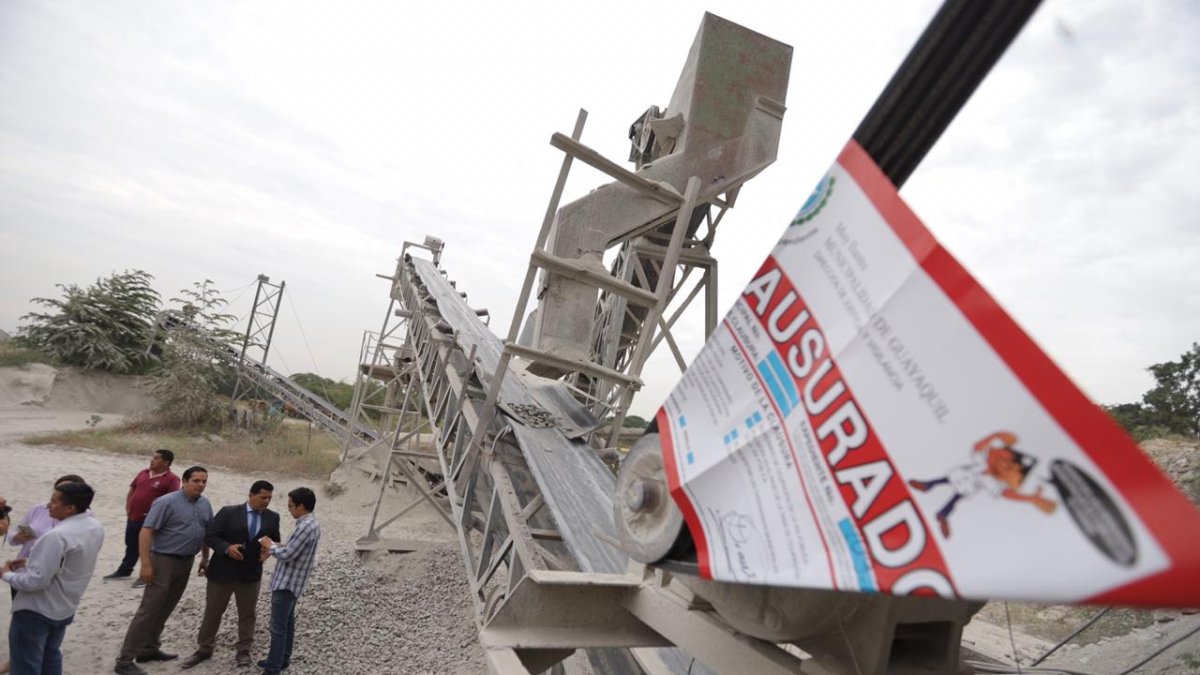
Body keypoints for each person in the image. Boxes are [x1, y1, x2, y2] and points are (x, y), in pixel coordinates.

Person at [113, 466, 213, 675]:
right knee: (148, 610)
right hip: (163, 561)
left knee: (167, 606)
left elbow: (206, 532)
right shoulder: (166, 502)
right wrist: (146, 564)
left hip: (186, 562)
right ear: (184, 481)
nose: (200, 485)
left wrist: (205, 557)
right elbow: (146, 531)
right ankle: (124, 660)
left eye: (204, 481)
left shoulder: (205, 504)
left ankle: (149, 648)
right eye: (196, 481)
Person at [1, 482, 105, 675]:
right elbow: (73, 562)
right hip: (65, 606)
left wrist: (6, 574)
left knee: (26, 664)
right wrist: (33, 561)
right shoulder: (94, 526)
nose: (48, 505)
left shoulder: (57, 535)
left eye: (53, 501)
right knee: (51, 657)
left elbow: (35, 582)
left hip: (37, 609)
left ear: (70, 508)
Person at [181, 481, 281, 669]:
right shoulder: (228, 512)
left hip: (250, 575)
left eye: (269, 498)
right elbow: (210, 536)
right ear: (251, 495)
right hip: (222, 573)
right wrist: (227, 548)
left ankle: (243, 651)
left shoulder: (272, 517)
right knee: (213, 611)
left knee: (247, 614)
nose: (266, 501)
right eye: (263, 497)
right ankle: (204, 648)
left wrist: (269, 550)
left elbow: (274, 540)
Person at [257, 487, 321, 675]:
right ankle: (282, 659)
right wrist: (281, 546)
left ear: (301, 506)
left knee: (278, 628)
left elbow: (289, 554)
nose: (289, 509)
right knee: (287, 624)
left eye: (291, 506)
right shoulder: (312, 524)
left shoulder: (305, 526)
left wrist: (270, 547)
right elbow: (295, 549)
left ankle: (273, 667)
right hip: (295, 583)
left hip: (287, 583)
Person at [105, 450, 180, 585]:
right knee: (131, 545)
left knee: (148, 548)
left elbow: (172, 500)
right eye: (153, 457)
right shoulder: (143, 473)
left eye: (156, 458)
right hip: (133, 516)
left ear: (166, 462)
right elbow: (132, 490)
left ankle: (144, 576)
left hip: (151, 521)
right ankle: (125, 570)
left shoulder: (172, 479)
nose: (152, 460)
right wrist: (128, 506)